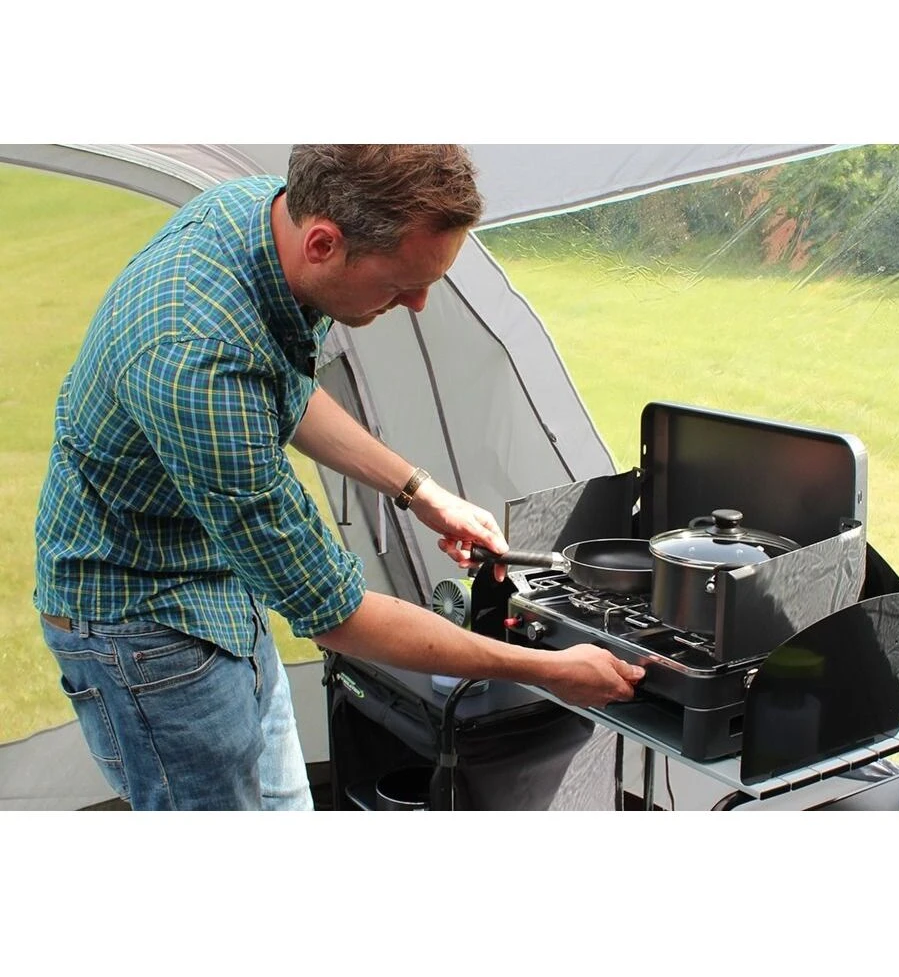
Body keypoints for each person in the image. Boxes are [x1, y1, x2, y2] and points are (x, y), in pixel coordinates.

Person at [34, 144, 645, 811]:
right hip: (144, 630)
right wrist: (548, 670)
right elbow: (336, 613)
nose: (418, 303)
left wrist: (420, 491)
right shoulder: (196, 359)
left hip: (216, 581)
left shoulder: (265, 216)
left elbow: (284, 391)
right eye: (400, 284)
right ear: (323, 244)